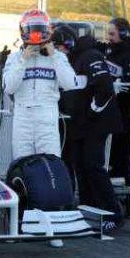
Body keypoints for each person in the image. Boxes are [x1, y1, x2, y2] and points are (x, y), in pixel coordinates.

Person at [3, 9, 77, 160]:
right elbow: (9, 87)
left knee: (50, 162)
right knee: (22, 163)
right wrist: (23, 60)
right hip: (22, 116)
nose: (35, 33)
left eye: (39, 28)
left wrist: (54, 56)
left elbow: (70, 84)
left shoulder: (58, 57)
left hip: (47, 115)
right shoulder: (14, 58)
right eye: (31, 28)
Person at [68, 33, 124, 232]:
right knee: (80, 165)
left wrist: (93, 109)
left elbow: (105, 88)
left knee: (93, 165)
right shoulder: (71, 58)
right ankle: (88, 209)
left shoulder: (91, 56)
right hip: (81, 122)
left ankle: (112, 212)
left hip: (97, 122)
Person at [96, 18, 130, 186]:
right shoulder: (109, 49)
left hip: (123, 106)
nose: (108, 37)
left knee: (121, 143)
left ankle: (124, 177)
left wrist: (116, 87)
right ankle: (107, 173)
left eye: (112, 33)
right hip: (109, 103)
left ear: (123, 33)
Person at [50, 24, 80, 185]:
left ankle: (67, 195)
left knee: (67, 158)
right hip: (51, 116)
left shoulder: (68, 61)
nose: (68, 50)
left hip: (67, 118)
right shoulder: (50, 59)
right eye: (65, 46)